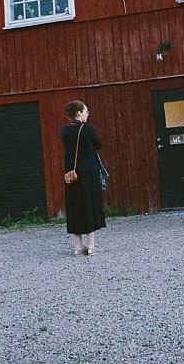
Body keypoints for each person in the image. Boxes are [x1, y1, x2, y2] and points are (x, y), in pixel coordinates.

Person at [60, 100, 105, 255]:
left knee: (75, 207)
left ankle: (78, 247)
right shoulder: (87, 130)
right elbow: (98, 145)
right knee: (90, 205)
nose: (88, 114)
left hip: (72, 175)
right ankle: (91, 245)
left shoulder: (64, 131)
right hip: (88, 174)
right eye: (86, 111)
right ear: (79, 113)